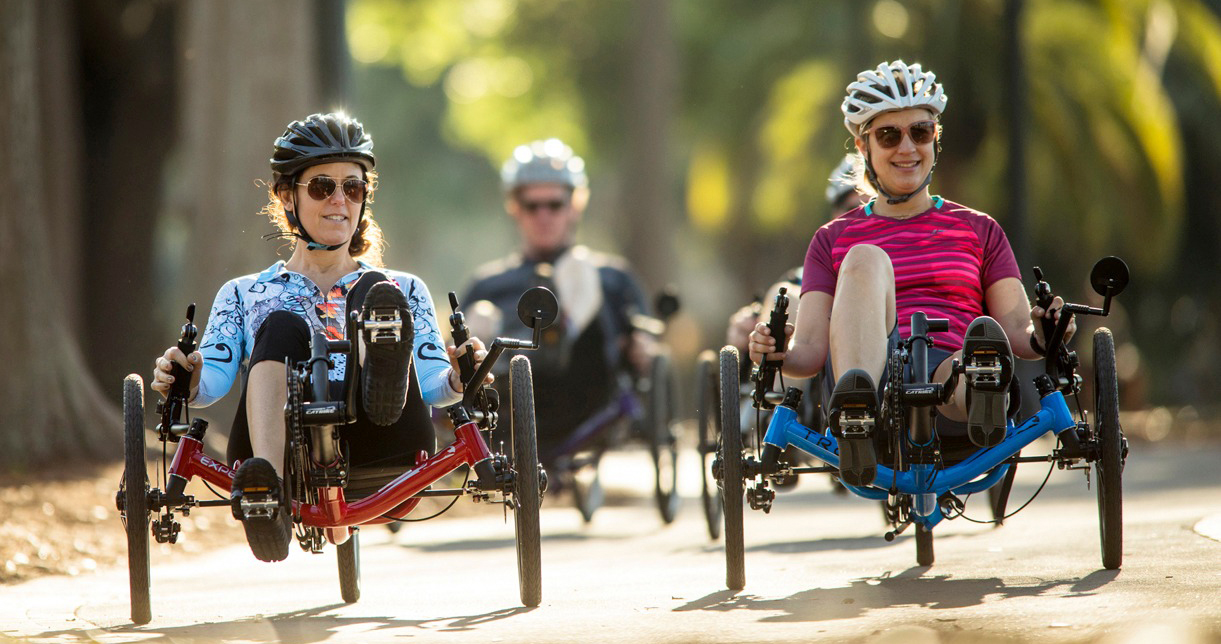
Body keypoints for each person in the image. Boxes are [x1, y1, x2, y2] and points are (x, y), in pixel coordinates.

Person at [149, 112, 486, 562]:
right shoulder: (242, 293)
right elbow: (207, 387)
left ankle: (378, 373)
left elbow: (434, 389)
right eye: (323, 186)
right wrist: (183, 375)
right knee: (281, 324)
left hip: (386, 439)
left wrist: (464, 377)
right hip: (282, 449)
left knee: (378, 296)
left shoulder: (405, 289)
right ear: (287, 196)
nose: (340, 201)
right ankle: (265, 494)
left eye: (353, 187)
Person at [748, 60, 1073, 488]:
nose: (907, 148)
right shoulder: (832, 239)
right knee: (864, 257)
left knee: (971, 361)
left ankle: (981, 392)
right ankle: (856, 414)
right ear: (863, 148)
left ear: (935, 141)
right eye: (888, 135)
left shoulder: (979, 229)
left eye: (920, 132)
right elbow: (808, 351)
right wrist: (774, 351)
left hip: (952, 373)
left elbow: (1017, 332)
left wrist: (1043, 334)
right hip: (871, 381)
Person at [462, 138, 654, 486]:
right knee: (479, 315)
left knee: (578, 267)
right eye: (532, 205)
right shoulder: (488, 282)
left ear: (575, 204)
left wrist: (642, 347)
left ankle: (558, 334)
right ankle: (529, 349)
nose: (544, 215)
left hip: (584, 389)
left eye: (554, 204)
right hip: (505, 398)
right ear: (514, 207)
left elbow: (646, 346)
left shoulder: (612, 277)